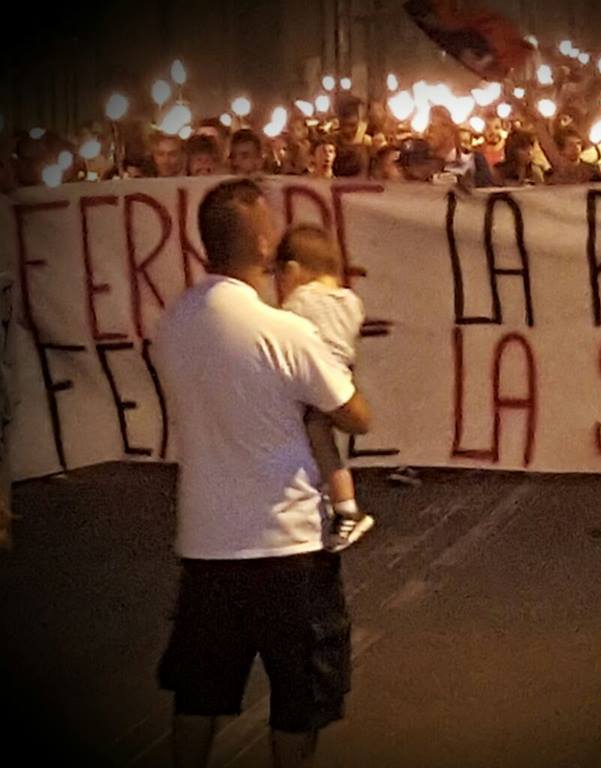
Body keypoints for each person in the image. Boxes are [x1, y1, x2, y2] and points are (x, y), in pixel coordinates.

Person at [153, 178, 371, 768]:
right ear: (261, 240)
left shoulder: (174, 323)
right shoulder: (284, 331)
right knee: (299, 698)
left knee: (198, 693)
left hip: (206, 544)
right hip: (288, 545)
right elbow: (354, 414)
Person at [276, 224, 375, 552]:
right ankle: (338, 501)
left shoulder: (301, 302)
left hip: (314, 381)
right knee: (326, 446)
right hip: (341, 382)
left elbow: (282, 333)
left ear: (292, 271)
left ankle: (346, 508)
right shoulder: (351, 302)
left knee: (316, 438)